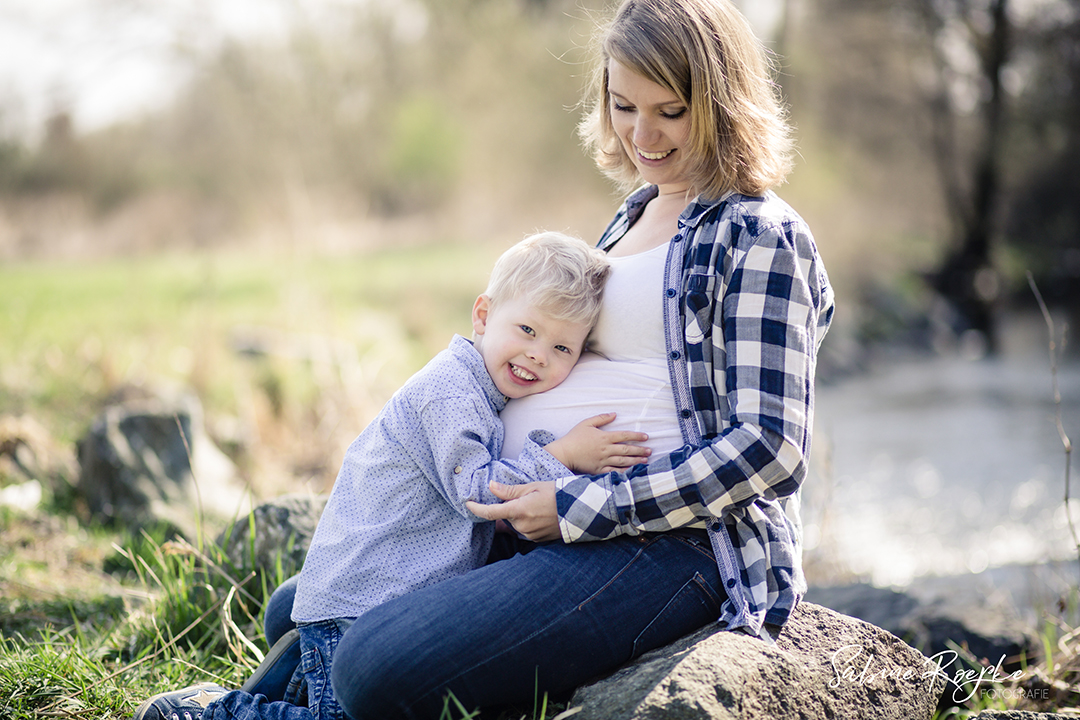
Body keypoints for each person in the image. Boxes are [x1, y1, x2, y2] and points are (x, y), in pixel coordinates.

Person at [137, 0, 836, 718]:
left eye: (671, 111)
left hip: (672, 548)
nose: (642, 134)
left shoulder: (761, 235)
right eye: (624, 105)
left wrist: (575, 506)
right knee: (299, 606)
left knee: (373, 666)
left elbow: (770, 451)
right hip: (533, 511)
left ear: (721, 104)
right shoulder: (634, 212)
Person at [131, 231, 650, 720]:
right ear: (483, 315)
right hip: (360, 599)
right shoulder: (450, 394)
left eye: (563, 348)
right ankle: (207, 711)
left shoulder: (480, 390)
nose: (538, 354)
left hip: (379, 592)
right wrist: (562, 453)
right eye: (528, 330)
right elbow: (478, 493)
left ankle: (285, 683)